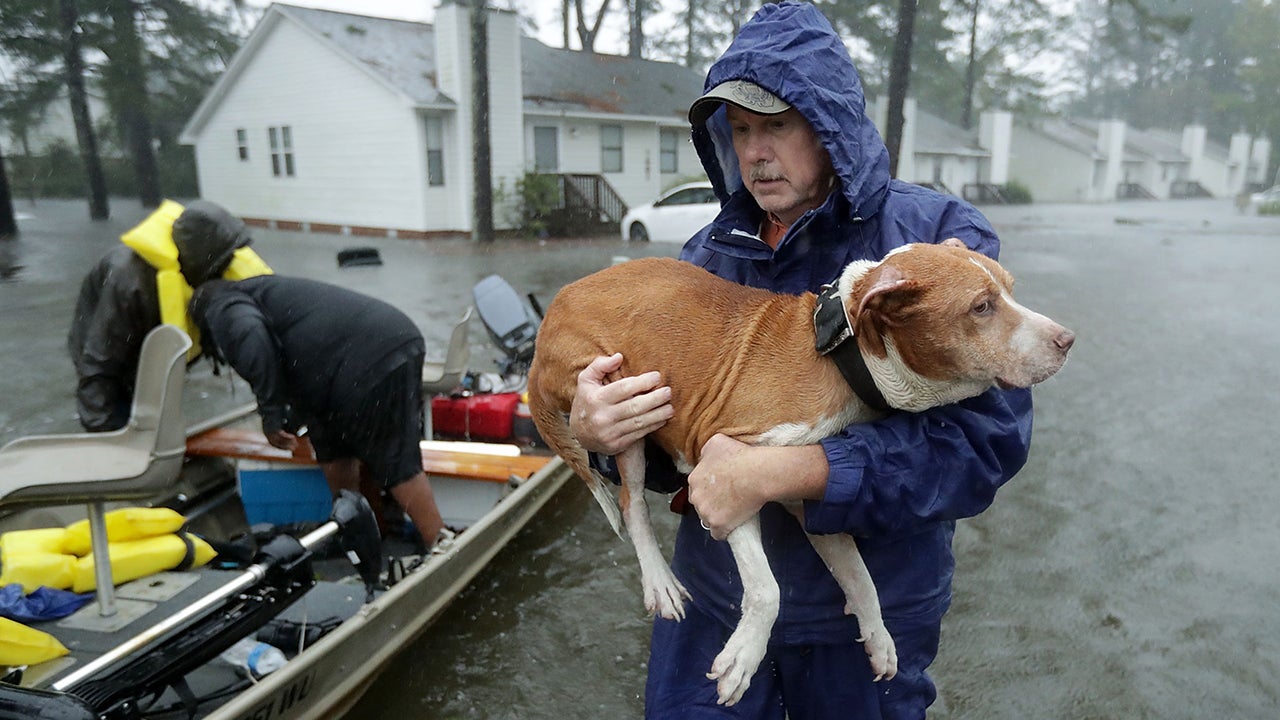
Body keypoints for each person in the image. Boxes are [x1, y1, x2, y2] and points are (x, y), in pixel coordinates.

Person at [569, 3, 1034, 718]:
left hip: (869, 617)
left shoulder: (936, 243)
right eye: (742, 130)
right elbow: (678, 459)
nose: (755, 152)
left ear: (831, 126)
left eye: (778, 125)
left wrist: (801, 469)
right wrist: (603, 432)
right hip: (717, 603)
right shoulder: (703, 262)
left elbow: (984, 443)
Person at [188, 275, 447, 551]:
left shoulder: (221, 306)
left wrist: (271, 414)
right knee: (333, 450)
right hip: (354, 360)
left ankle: (441, 546)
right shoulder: (257, 292)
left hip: (370, 354)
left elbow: (252, 336)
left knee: (392, 455)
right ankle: (362, 533)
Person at [67, 200, 271, 431]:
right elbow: (98, 362)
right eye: (221, 261)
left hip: (150, 328)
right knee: (118, 406)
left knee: (158, 409)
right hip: (105, 342)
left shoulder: (206, 268)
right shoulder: (129, 282)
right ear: (196, 258)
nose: (227, 267)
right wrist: (105, 434)